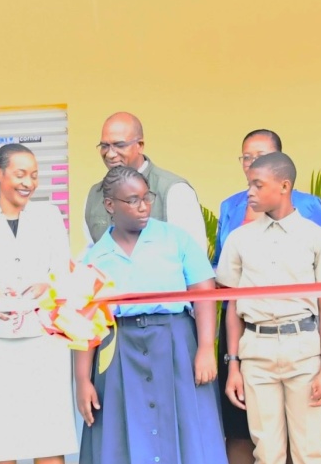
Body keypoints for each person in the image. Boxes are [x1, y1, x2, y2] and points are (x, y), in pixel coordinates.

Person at [75, 165, 226, 464]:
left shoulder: (176, 239)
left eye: (147, 197)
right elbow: (85, 321)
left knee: (187, 427)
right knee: (120, 432)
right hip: (118, 348)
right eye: (132, 200)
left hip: (175, 340)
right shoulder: (95, 256)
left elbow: (203, 292)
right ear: (109, 205)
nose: (143, 207)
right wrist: (82, 379)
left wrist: (207, 347)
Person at [218, 152, 321, 464]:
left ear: (284, 186)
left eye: (257, 184)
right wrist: (233, 364)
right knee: (266, 452)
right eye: (249, 184)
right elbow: (232, 306)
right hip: (256, 352)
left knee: (309, 451)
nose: (249, 191)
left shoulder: (317, 238)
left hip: (303, 350)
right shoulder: (239, 240)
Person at [0, 143, 75, 464]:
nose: (28, 182)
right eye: (20, 174)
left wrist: (48, 284)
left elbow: (64, 270)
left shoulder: (49, 214)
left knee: (47, 436)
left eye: (34, 176)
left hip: (44, 340)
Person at [83, 111, 207, 253]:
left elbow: (196, 258)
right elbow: (91, 253)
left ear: (140, 145)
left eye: (119, 145)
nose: (110, 154)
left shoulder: (174, 190)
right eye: (104, 146)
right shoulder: (94, 196)